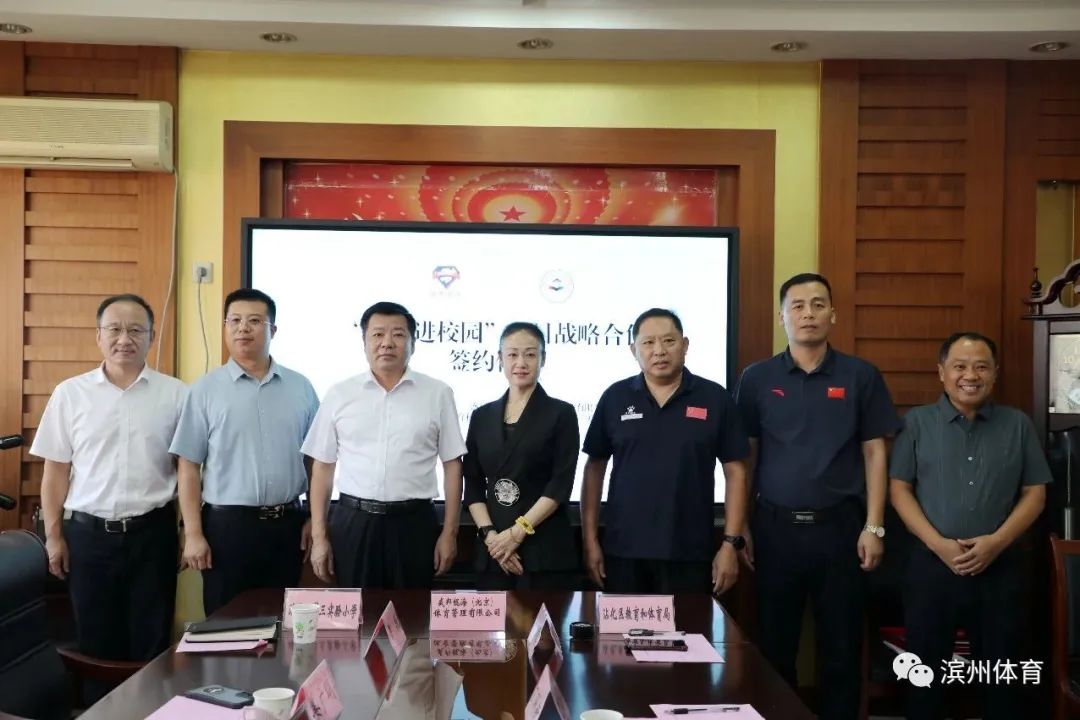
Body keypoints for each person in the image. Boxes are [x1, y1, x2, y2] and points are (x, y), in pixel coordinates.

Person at [734, 272, 900, 720]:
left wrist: (874, 525)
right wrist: (741, 524)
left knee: (841, 651)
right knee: (774, 649)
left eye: (817, 304)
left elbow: (875, 453)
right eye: (798, 305)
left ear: (833, 313)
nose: (808, 313)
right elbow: (745, 458)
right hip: (775, 529)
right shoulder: (757, 378)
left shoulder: (860, 375)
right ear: (781, 316)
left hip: (841, 530)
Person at [889, 332, 1049, 720]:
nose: (970, 376)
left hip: (1000, 568)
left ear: (995, 373)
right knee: (924, 677)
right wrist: (938, 544)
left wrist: (996, 542)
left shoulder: (1017, 424)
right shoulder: (917, 423)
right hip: (931, 568)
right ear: (942, 372)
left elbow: (1035, 493)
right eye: (959, 366)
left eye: (981, 367)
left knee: (1002, 678)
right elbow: (899, 490)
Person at [31, 294, 186, 661]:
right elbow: (55, 472)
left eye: (136, 330)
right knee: (95, 641)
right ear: (98, 335)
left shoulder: (177, 395)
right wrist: (54, 537)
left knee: (153, 640)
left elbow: (187, 471)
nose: (124, 339)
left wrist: (186, 531)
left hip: (154, 534)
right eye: (114, 329)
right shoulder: (70, 394)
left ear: (152, 336)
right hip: (88, 537)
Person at [170, 288, 319, 615]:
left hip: (288, 526)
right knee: (226, 623)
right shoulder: (205, 390)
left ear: (273, 329)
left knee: (282, 620)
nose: (243, 328)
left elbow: (315, 462)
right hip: (227, 528)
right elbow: (188, 466)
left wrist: (313, 517)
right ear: (225, 327)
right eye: (234, 320)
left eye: (254, 321)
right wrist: (192, 533)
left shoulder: (301, 388)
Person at [580, 307, 749, 595]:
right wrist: (590, 540)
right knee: (624, 626)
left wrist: (730, 543)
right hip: (624, 551)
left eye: (669, 341)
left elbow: (736, 472)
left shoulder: (715, 398)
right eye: (648, 342)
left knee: (689, 625)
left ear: (685, 345)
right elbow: (594, 469)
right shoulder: (615, 397)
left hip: (690, 552)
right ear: (633, 349)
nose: (659, 351)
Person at [303, 301, 466, 588]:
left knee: (413, 610)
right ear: (364, 342)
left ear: (413, 343)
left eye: (398, 335)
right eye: (377, 334)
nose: (387, 343)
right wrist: (319, 536)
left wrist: (450, 533)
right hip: (354, 522)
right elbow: (323, 468)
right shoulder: (340, 394)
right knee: (358, 610)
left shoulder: (437, 393)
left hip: (414, 523)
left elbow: (453, 465)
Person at [463, 322, 580, 590]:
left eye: (530, 354)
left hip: (543, 549)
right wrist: (492, 538)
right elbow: (473, 484)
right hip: (493, 550)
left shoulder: (561, 413)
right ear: (500, 359)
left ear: (543, 359)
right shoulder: (481, 416)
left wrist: (517, 534)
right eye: (512, 354)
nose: (521, 363)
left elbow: (560, 484)